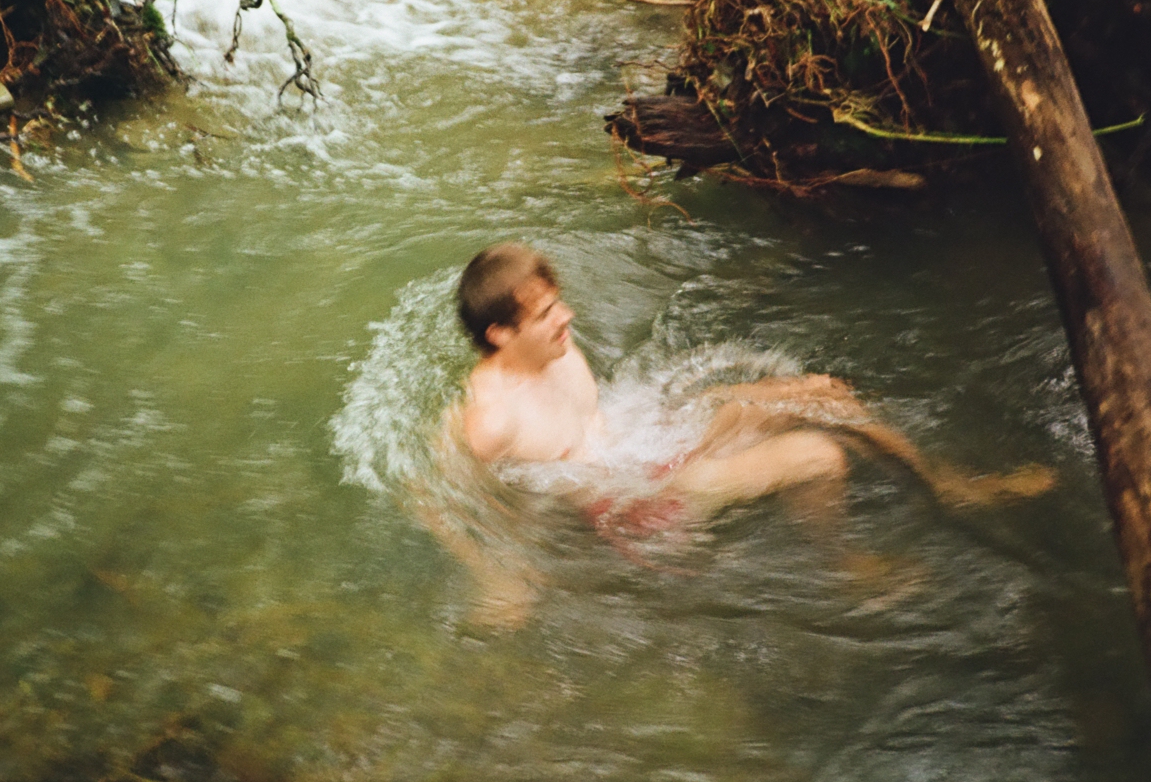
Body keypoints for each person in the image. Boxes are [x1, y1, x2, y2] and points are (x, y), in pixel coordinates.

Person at [436, 242, 1053, 623]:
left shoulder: (554, 350)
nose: (566, 316)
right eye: (546, 315)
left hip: (641, 440)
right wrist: (496, 571)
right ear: (500, 335)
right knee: (818, 456)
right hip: (636, 503)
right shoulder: (489, 420)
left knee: (822, 394)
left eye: (558, 301)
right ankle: (843, 567)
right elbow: (433, 490)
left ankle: (947, 484)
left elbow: (603, 417)